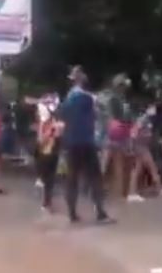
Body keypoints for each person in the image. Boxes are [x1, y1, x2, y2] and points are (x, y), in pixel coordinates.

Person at [60, 65, 114, 224]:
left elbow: (63, 118)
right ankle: (101, 213)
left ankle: (72, 214)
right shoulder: (88, 98)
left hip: (71, 143)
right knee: (95, 178)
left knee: (72, 178)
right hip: (87, 142)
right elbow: (98, 114)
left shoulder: (68, 100)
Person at [127, 102, 162, 202]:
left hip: (142, 146)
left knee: (137, 169)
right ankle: (160, 188)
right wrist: (132, 146)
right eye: (152, 108)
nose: (154, 110)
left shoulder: (148, 119)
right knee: (152, 167)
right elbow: (133, 132)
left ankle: (132, 193)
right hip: (140, 146)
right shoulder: (143, 119)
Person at [106, 74, 133, 197]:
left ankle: (121, 191)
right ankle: (121, 192)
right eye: (122, 85)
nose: (124, 88)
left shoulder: (121, 99)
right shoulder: (115, 99)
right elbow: (114, 117)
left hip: (122, 132)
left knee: (121, 163)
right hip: (119, 132)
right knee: (119, 163)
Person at [36, 97, 61, 213]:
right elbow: (41, 140)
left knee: (49, 180)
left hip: (51, 153)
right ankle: (47, 202)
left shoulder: (52, 122)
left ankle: (47, 202)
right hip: (47, 153)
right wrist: (51, 131)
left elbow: (44, 139)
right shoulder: (47, 123)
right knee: (48, 180)